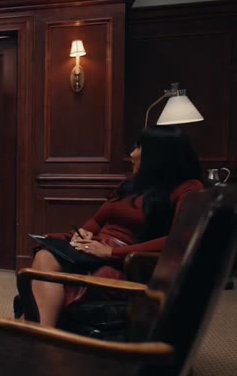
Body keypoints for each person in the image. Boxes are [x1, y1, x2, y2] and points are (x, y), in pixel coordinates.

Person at [26, 126, 204, 327]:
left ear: (157, 154)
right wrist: (86, 231)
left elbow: (178, 240)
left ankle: (38, 334)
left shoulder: (187, 188)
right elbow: (98, 220)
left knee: (82, 279)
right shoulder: (130, 184)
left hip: (129, 260)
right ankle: (39, 332)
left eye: (138, 147)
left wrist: (112, 252)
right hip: (93, 248)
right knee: (45, 255)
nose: (131, 154)